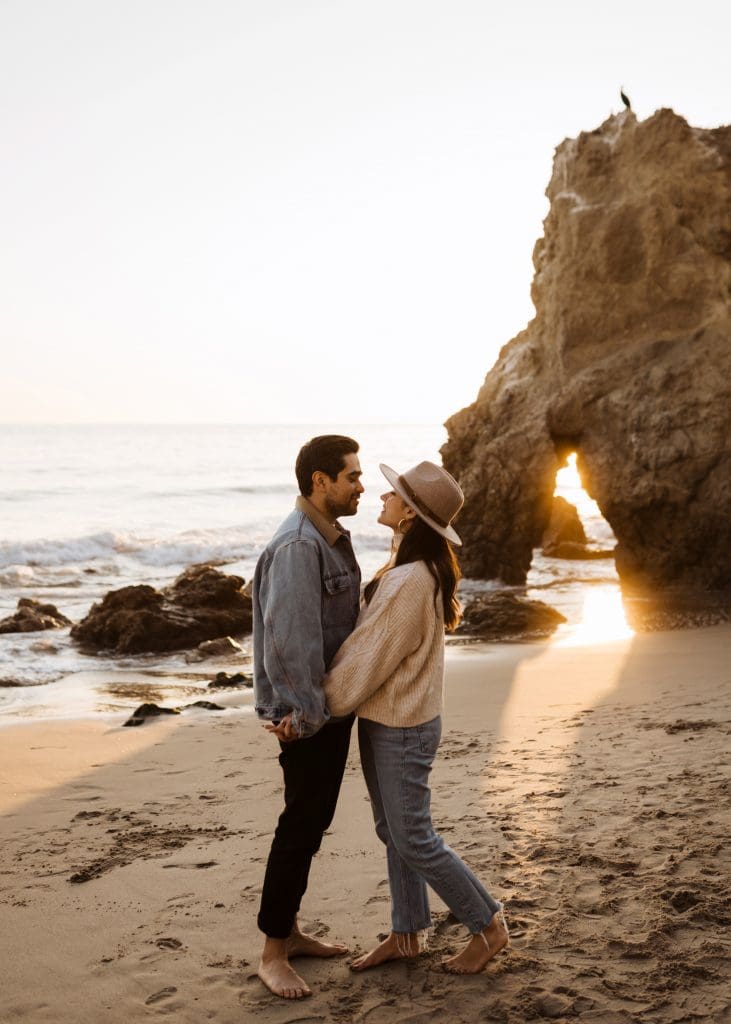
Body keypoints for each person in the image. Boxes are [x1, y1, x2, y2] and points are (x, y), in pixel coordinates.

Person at [321, 460, 509, 973]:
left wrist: (319, 705)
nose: (382, 497)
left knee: (414, 838)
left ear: (409, 514)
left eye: (393, 494)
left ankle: (488, 924)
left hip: (403, 727)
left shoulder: (407, 579)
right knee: (395, 831)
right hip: (391, 720)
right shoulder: (408, 568)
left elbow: (369, 656)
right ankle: (407, 935)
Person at [252, 434, 363, 999]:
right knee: (299, 826)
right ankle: (273, 953)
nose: (361, 486)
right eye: (351, 476)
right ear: (321, 481)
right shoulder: (299, 547)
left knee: (311, 821)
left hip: (322, 709)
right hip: (309, 713)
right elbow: (290, 645)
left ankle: (289, 933)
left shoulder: (327, 536)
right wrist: (307, 716)